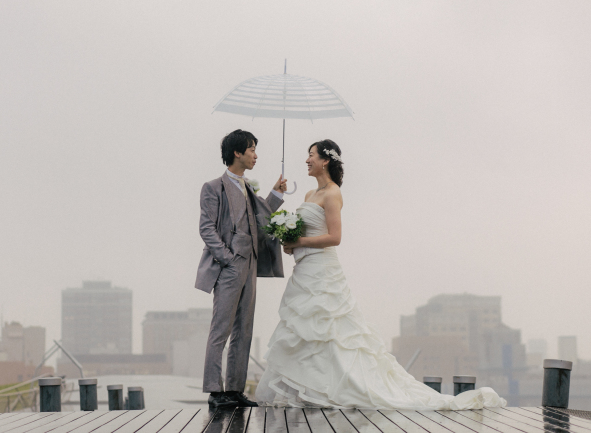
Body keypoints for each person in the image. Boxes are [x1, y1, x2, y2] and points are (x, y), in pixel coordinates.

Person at [255, 139, 507, 410]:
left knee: (332, 332)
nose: (307, 160)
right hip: (304, 271)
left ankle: (340, 387)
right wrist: (289, 239)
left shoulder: (333, 193)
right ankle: (311, 389)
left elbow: (335, 237)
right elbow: (309, 232)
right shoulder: (308, 195)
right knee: (304, 331)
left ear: (325, 160)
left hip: (323, 272)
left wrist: (300, 243)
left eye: (311, 155)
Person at [196, 129, 288, 409]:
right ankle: (215, 390)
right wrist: (226, 257)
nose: (255, 155)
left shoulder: (249, 187)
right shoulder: (213, 187)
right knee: (220, 328)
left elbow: (261, 219)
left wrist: (276, 193)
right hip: (229, 265)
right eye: (251, 150)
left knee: (244, 329)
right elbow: (206, 228)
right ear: (237, 152)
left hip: (250, 264)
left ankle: (234, 389)